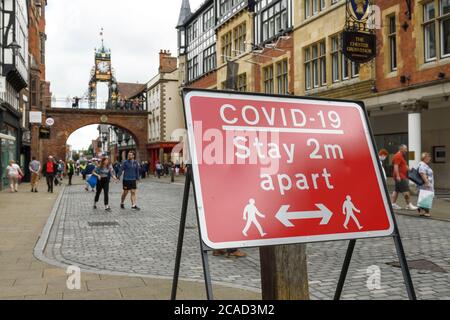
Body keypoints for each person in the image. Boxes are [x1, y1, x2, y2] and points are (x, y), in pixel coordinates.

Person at [391, 145, 417, 210]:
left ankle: (393, 204)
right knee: (406, 191)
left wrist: (410, 171)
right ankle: (409, 205)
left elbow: (404, 165)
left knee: (396, 191)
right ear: (401, 149)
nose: (406, 150)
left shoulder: (400, 156)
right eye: (405, 149)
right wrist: (398, 176)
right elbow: (396, 166)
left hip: (401, 176)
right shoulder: (398, 156)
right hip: (401, 176)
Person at [417, 152, 434, 217]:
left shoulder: (423, 164)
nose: (430, 158)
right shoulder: (422, 165)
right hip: (425, 185)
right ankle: (425, 211)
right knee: (427, 197)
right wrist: (427, 183)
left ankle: (421, 210)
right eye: (428, 157)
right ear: (425, 158)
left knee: (423, 197)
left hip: (424, 184)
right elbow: (422, 173)